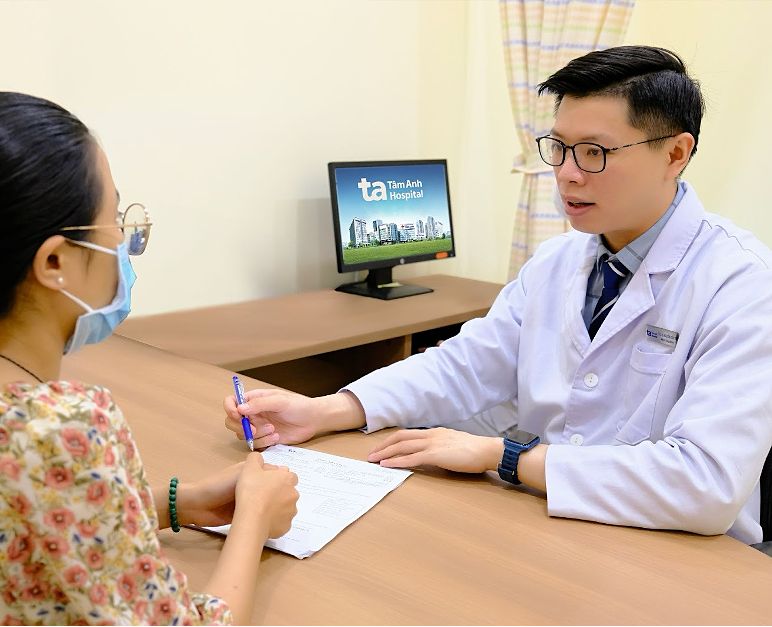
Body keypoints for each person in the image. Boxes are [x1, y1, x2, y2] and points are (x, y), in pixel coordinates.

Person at [225, 45, 772, 545]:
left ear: (675, 153)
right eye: (559, 148)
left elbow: (705, 483)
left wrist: (506, 457)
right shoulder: (558, 261)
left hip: (685, 554)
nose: (567, 175)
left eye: (594, 152)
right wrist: (326, 410)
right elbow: (465, 366)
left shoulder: (741, 283)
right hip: (554, 525)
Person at [0, 91, 299, 625]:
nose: (124, 241)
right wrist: (253, 518)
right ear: (55, 262)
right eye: (113, 219)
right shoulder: (52, 431)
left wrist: (176, 502)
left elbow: (9, 521)